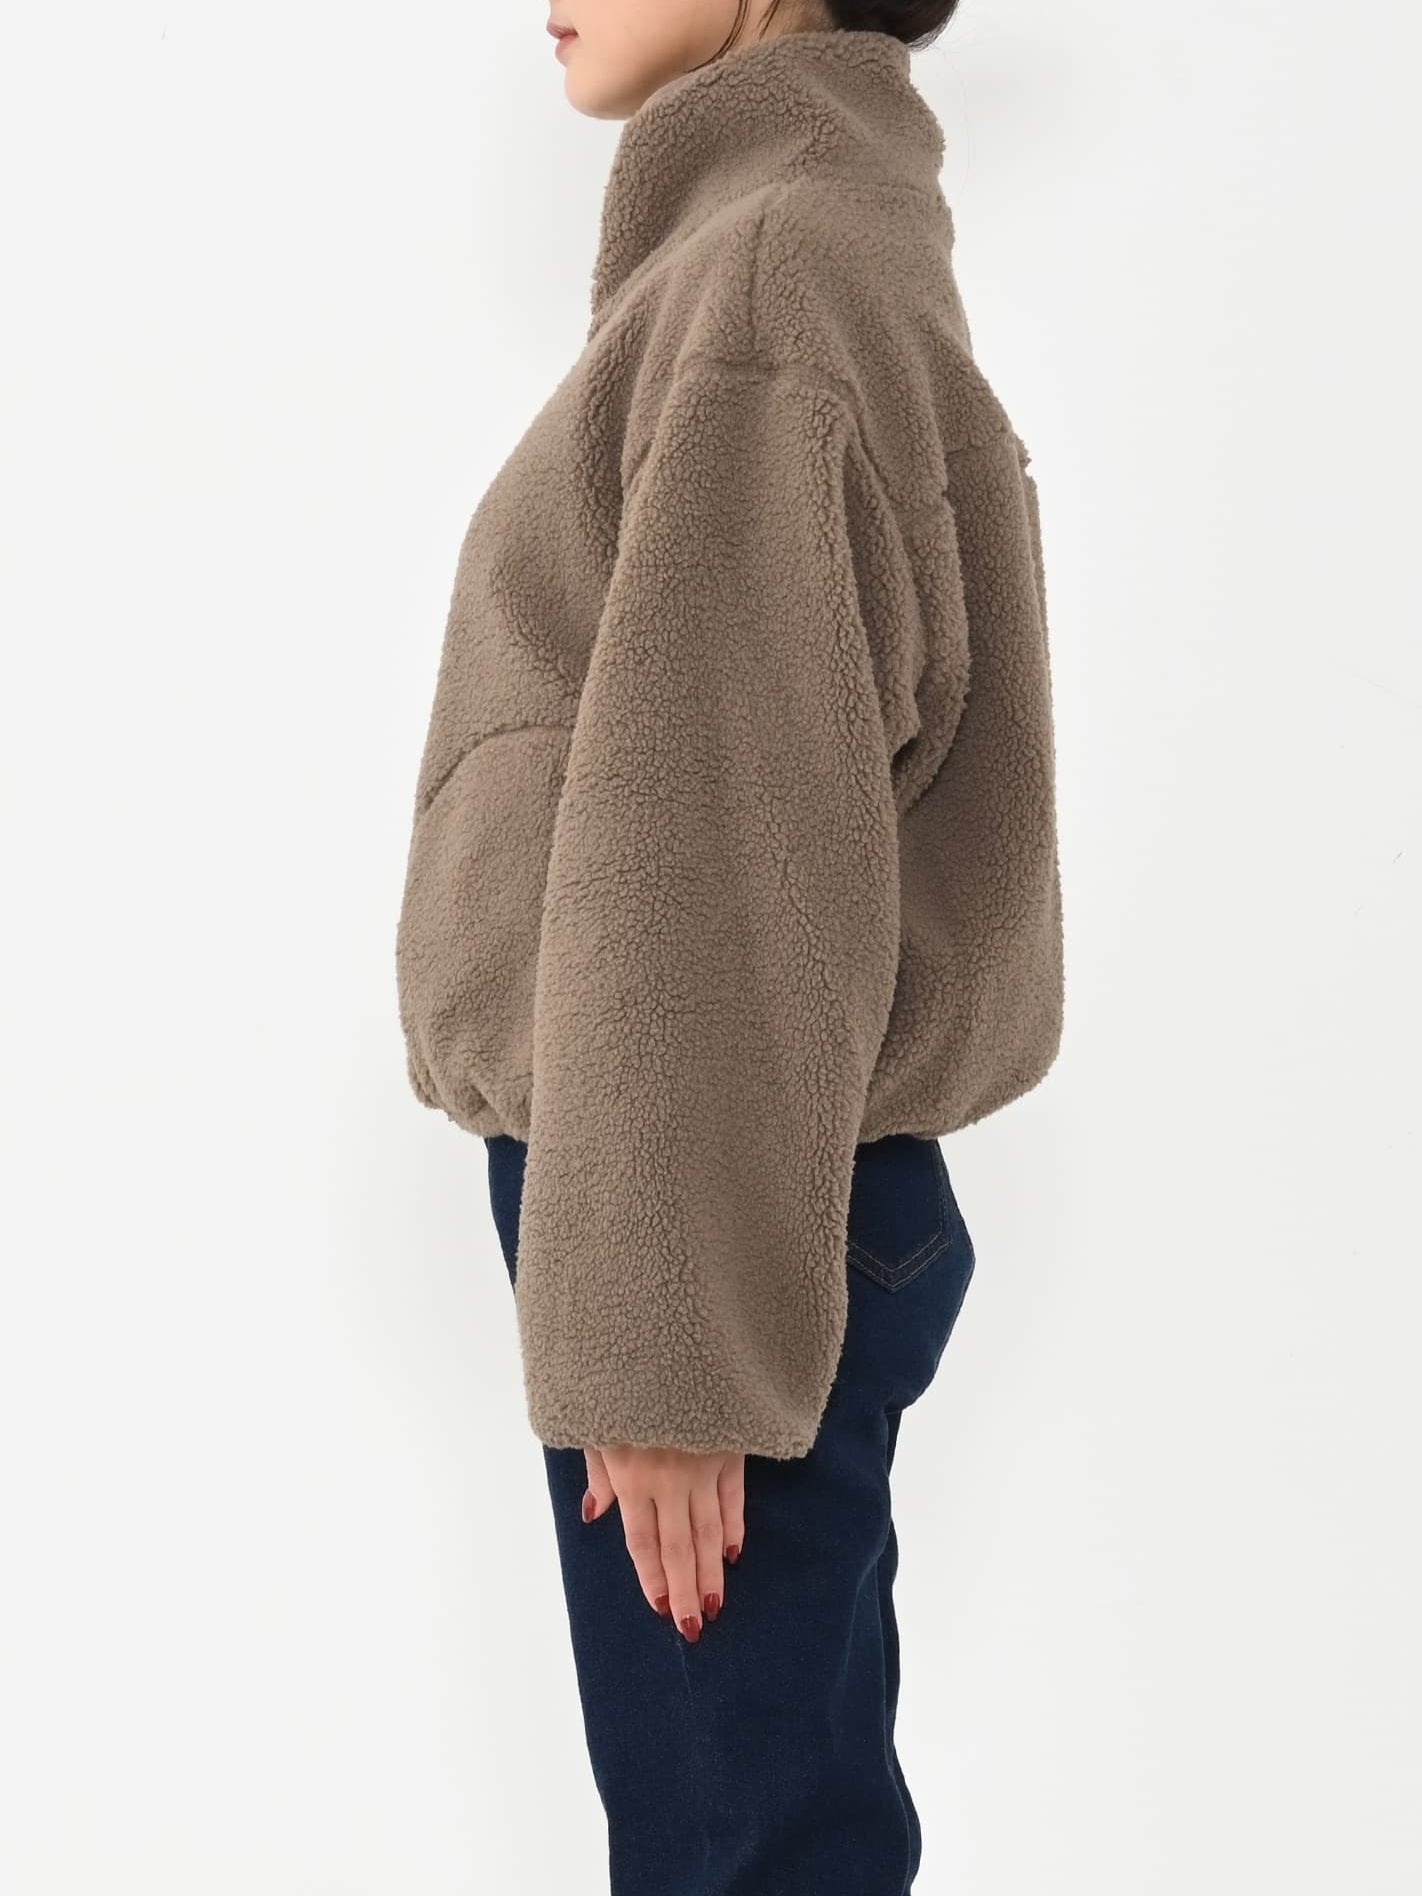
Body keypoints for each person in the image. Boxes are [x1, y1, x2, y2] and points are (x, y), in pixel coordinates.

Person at [394, 1, 1064, 1888]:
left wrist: (673, 1347)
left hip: (709, 1203)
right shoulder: (791, 241)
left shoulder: (770, 273)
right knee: (765, 1832)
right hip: (731, 1179)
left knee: (743, 1857)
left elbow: (720, 838)